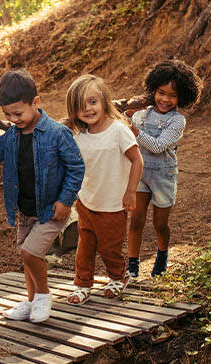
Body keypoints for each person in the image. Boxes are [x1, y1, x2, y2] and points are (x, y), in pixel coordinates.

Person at [0, 69, 84, 323]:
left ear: (36, 102)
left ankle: (43, 296)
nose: (13, 119)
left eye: (18, 113)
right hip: (24, 211)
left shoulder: (57, 133)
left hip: (51, 209)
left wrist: (66, 200)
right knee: (26, 255)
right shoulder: (10, 137)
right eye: (7, 115)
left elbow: (76, 167)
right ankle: (32, 300)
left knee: (30, 254)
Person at [64, 75, 143, 304]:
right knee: (84, 247)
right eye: (80, 106)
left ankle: (118, 276)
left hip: (113, 203)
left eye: (92, 102)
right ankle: (82, 284)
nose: (87, 109)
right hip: (87, 202)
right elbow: (77, 171)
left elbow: (137, 161)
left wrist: (130, 192)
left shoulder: (118, 130)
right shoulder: (79, 139)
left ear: (103, 101)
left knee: (109, 247)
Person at [125, 59, 203, 278]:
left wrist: (134, 130)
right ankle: (132, 264)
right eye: (161, 93)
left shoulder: (177, 121)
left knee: (160, 224)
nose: (165, 99)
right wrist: (127, 114)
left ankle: (162, 255)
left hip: (163, 175)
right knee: (136, 220)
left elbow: (158, 146)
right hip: (140, 172)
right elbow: (121, 122)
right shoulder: (142, 114)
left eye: (172, 95)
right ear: (153, 90)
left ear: (182, 98)